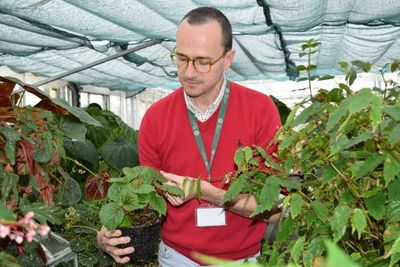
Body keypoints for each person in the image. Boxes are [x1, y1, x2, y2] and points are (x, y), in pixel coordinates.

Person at [97, 6, 281, 266]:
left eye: (202, 61)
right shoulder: (156, 117)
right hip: (177, 258)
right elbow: (146, 203)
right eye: (181, 58)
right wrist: (108, 234)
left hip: (242, 260)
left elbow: (273, 210)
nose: (189, 72)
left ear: (228, 59)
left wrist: (208, 193)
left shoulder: (260, 111)